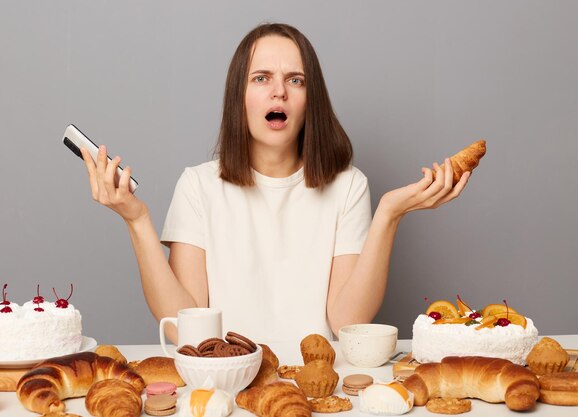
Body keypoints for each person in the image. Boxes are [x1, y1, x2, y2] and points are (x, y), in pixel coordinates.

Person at [79, 23, 470, 343]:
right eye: (261, 78)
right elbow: (186, 328)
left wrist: (389, 215)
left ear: (309, 99)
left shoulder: (349, 187)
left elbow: (346, 321)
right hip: (226, 388)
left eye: (295, 80)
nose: (278, 90)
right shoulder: (198, 186)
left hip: (317, 391)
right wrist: (137, 221)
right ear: (240, 97)